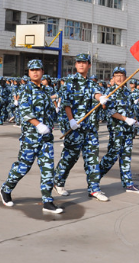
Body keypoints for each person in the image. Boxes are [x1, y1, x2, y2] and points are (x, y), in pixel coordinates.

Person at [0, 59, 62, 213]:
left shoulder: (47, 90)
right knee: (23, 167)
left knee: (48, 169)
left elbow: (51, 112)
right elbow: (25, 111)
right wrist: (38, 125)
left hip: (46, 138)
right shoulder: (26, 89)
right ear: (28, 72)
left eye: (38, 69)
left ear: (42, 72)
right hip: (31, 138)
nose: (35, 72)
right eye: (32, 70)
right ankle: (6, 189)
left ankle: (47, 201)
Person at [53, 53, 109, 201]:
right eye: (79, 62)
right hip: (74, 127)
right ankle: (58, 182)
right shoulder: (70, 81)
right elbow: (66, 103)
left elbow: (96, 94)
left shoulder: (92, 83)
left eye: (84, 62)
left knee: (92, 158)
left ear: (89, 65)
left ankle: (94, 189)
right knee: (70, 157)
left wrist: (101, 98)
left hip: (90, 127)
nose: (81, 65)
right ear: (76, 65)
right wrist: (71, 120)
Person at [99, 67, 139, 194]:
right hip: (116, 129)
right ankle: (94, 179)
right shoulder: (110, 92)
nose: (119, 78)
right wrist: (125, 119)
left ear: (126, 77)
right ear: (113, 77)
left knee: (126, 156)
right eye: (116, 75)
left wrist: (134, 120)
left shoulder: (127, 92)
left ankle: (128, 184)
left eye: (121, 75)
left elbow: (131, 109)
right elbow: (110, 111)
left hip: (128, 130)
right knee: (111, 156)